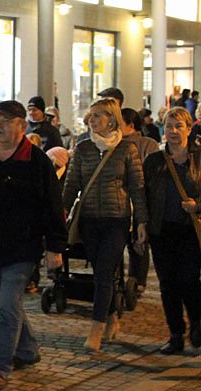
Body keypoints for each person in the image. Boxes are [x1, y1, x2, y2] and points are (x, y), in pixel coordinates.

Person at [0, 100, 66, 391]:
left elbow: (53, 207)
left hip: (22, 248)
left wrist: (54, 247)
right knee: (5, 305)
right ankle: (27, 349)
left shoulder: (36, 162)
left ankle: (0, 368)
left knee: (8, 307)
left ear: (22, 125)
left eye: (6, 121)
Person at [62, 97, 149, 352]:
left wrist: (141, 221)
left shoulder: (127, 149)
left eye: (98, 115)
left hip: (116, 219)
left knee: (103, 271)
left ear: (112, 119)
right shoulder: (83, 148)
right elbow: (72, 184)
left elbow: (137, 188)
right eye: (91, 115)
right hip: (89, 219)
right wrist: (61, 211)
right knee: (102, 272)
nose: (92, 120)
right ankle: (111, 316)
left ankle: (96, 329)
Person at [142, 107, 201, 354]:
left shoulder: (199, 158)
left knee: (189, 280)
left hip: (191, 231)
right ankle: (175, 333)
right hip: (162, 231)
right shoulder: (154, 161)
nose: (173, 131)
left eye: (179, 126)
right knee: (167, 284)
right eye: (169, 126)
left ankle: (197, 324)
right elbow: (143, 196)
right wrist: (141, 225)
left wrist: (197, 205)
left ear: (188, 129)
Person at [121, 107, 159, 292]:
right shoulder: (113, 144)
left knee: (138, 241)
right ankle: (127, 281)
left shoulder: (147, 143)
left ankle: (138, 280)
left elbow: (151, 172)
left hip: (140, 197)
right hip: (122, 200)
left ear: (130, 124)